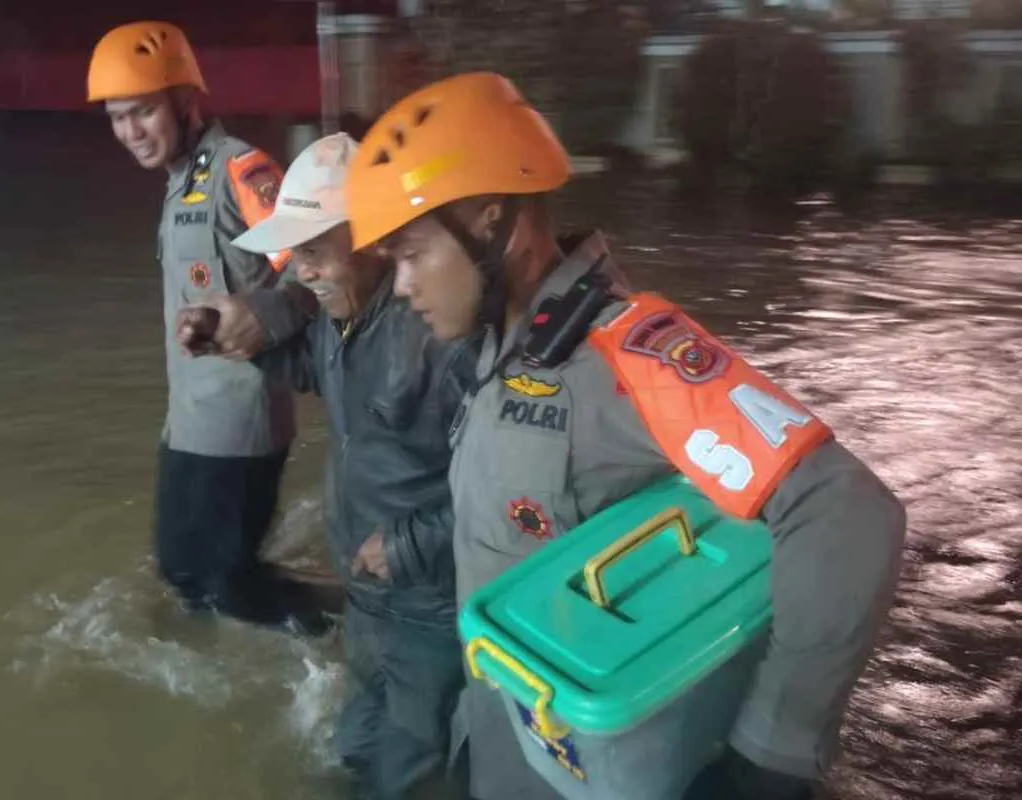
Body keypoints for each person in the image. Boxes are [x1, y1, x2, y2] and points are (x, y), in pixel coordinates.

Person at [342, 71, 908, 800]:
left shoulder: (629, 354)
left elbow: (847, 513)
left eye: (412, 254)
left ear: (487, 218)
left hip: (587, 757)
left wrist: (768, 755)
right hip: (500, 718)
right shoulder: (497, 349)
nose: (403, 286)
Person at [175, 133, 476, 799]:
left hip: (432, 604)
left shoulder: (441, 334)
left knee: (409, 771)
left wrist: (407, 542)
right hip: (369, 593)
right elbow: (314, 370)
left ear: (371, 239)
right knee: (354, 751)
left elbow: (508, 486)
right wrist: (232, 345)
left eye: (314, 250)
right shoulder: (339, 325)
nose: (301, 270)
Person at [86, 21, 324, 631]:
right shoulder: (178, 183)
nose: (130, 132)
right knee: (180, 571)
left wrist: (264, 313)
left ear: (186, 102)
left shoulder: (238, 171)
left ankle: (334, 629)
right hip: (191, 418)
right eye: (117, 117)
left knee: (224, 584)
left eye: (143, 112)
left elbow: (317, 269)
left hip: (241, 424)